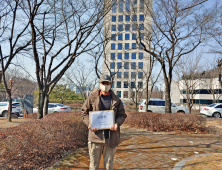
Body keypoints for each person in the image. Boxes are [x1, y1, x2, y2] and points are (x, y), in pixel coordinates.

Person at [81, 74, 127, 170]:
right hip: (95, 137)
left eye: (108, 83)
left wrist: (117, 124)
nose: (105, 85)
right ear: (99, 84)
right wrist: (90, 123)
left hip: (111, 138)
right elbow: (84, 113)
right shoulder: (92, 97)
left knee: (109, 166)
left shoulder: (117, 100)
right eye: (103, 83)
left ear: (111, 85)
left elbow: (122, 115)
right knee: (93, 166)